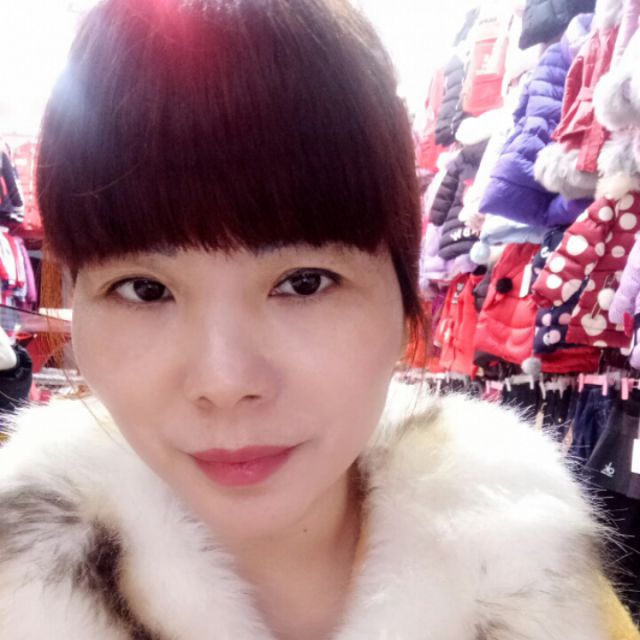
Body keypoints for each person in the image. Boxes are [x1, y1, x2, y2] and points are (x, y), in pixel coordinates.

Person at [0, 0, 637, 638]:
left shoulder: (545, 592)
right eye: (144, 290)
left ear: (405, 303)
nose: (225, 382)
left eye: (303, 283)